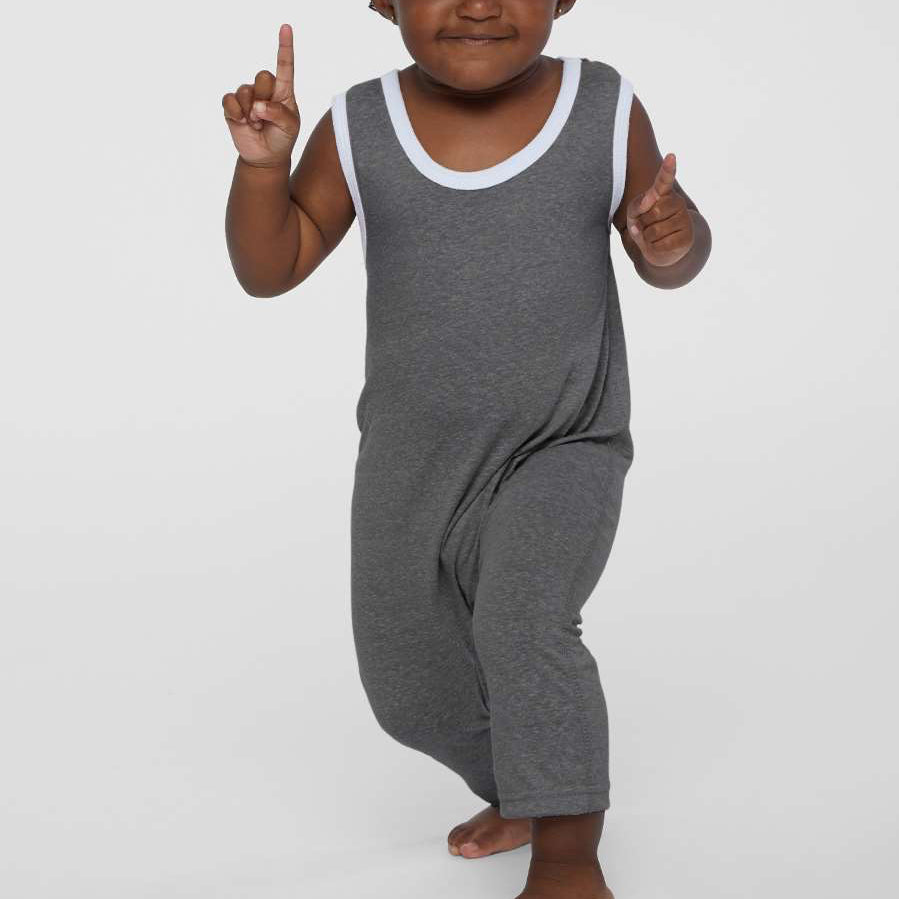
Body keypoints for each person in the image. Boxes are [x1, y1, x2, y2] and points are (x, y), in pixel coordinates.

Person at [222, 3, 712, 896]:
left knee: (522, 623)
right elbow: (272, 266)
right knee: (406, 686)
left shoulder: (601, 108)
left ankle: (568, 852)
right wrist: (262, 174)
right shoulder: (361, 124)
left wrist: (670, 243)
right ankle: (528, 782)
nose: (480, 4)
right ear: (385, 2)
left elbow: (665, 246)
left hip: (563, 440)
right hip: (412, 456)